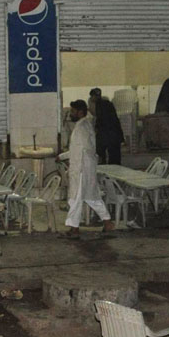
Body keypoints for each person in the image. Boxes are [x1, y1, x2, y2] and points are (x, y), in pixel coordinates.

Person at [64, 100, 114, 238]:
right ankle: (107, 222)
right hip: (84, 167)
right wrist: (62, 156)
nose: (71, 114)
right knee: (91, 197)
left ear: (80, 112)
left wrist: (78, 167)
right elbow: (77, 149)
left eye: (73, 111)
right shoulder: (83, 125)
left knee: (76, 199)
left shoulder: (82, 127)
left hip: (82, 169)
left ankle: (74, 228)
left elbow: (85, 149)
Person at [89, 88, 123, 165]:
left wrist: (97, 128)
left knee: (102, 154)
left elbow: (101, 119)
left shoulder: (99, 105)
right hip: (113, 133)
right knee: (114, 157)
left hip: (108, 133)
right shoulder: (107, 103)